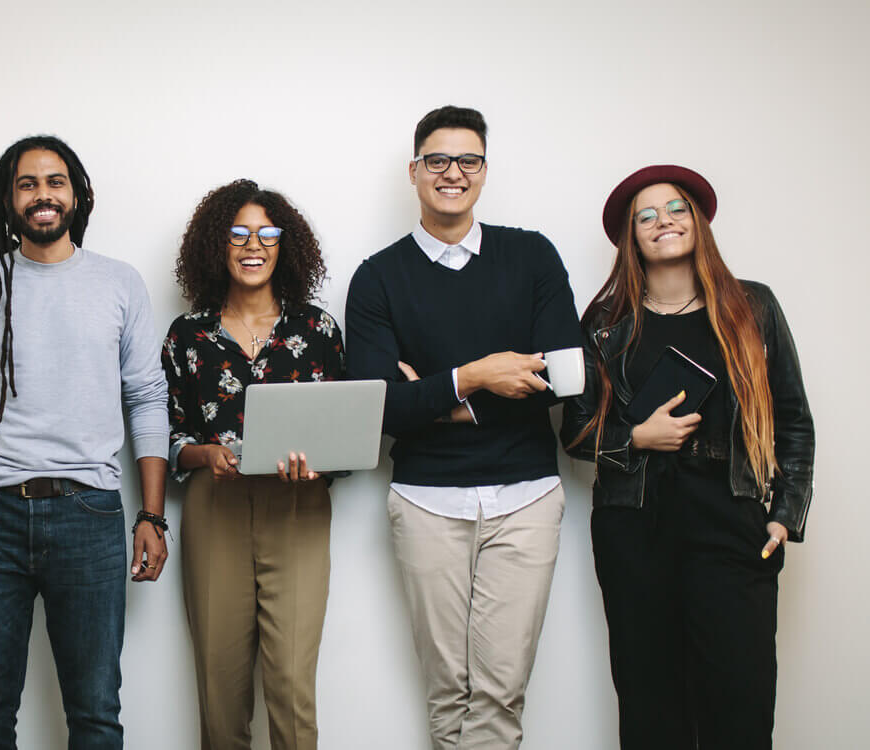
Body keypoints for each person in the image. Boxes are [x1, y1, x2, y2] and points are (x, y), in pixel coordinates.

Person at [0, 135, 170, 750]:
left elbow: (147, 399)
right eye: (27, 184)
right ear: (8, 200)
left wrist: (153, 516)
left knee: (94, 711)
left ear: (77, 194)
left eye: (54, 182)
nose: (42, 195)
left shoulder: (119, 284)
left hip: (88, 511)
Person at [345, 105, 581, 749]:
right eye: (438, 161)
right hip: (427, 501)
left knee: (500, 693)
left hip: (526, 498)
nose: (454, 173)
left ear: (484, 170)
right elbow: (376, 410)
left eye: (468, 160)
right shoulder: (377, 277)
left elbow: (564, 379)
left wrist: (430, 394)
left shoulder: (531, 256)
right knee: (448, 692)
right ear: (414, 171)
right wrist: (476, 376)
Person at [560, 164, 814, 750]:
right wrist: (635, 439)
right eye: (645, 216)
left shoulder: (753, 307)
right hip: (634, 530)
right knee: (651, 707)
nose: (663, 221)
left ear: (697, 221)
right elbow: (573, 433)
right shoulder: (604, 325)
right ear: (632, 238)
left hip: (731, 522)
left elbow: (793, 419)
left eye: (675, 209)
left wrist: (784, 515)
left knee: (740, 703)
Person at [161, 179, 344, 750]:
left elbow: (346, 430)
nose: (253, 244)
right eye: (238, 233)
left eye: (267, 233)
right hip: (215, 509)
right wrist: (204, 454)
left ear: (284, 246)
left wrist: (318, 466)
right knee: (220, 694)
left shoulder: (317, 330)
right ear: (218, 244)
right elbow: (168, 436)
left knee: (292, 688)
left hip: (299, 510)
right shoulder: (187, 335)